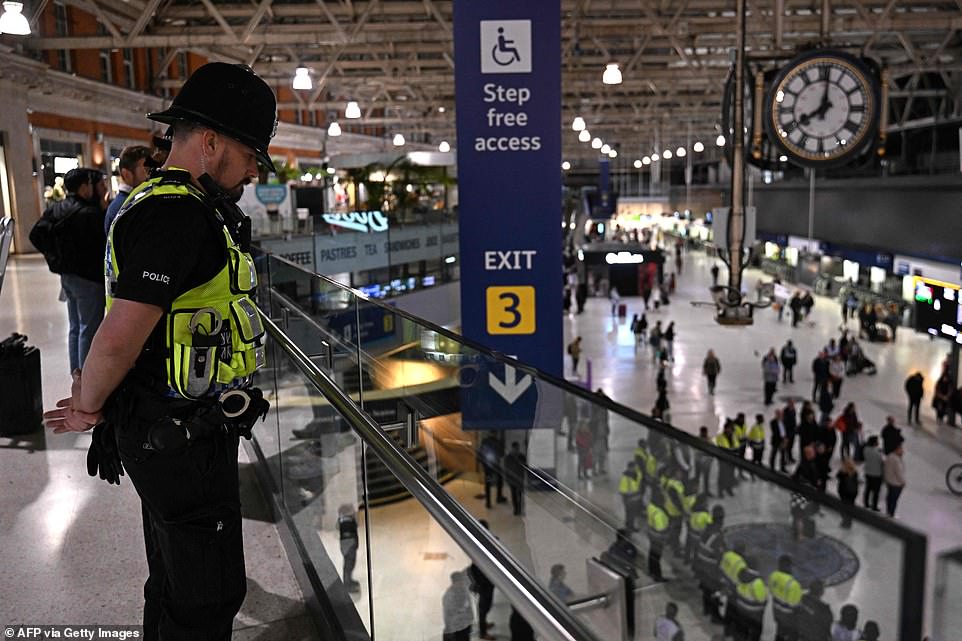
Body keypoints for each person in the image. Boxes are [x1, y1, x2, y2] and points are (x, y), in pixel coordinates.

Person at [42, 63, 277, 640]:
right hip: (176, 437)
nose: (253, 169)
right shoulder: (176, 214)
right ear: (212, 141)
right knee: (205, 594)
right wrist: (88, 405)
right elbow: (122, 330)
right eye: (251, 153)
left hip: (177, 429)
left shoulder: (171, 204)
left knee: (177, 580)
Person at [30, 167, 109, 372]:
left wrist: (56, 259)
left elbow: (35, 235)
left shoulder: (57, 208)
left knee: (75, 328)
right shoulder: (91, 214)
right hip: (89, 279)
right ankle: (85, 377)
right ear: (84, 187)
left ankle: (76, 373)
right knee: (88, 330)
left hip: (68, 277)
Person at [104, 144, 154, 234]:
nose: (150, 176)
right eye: (146, 170)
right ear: (127, 174)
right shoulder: (124, 207)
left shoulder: (136, 200)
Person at [469, 520, 496, 640]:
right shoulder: (476, 544)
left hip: (487, 579)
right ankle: (482, 632)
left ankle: (484, 625)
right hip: (482, 582)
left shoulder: (486, 540)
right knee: (483, 607)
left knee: (487, 605)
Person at [768, 555, 803, 641]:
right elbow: (795, 606)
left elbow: (771, 591)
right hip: (789, 618)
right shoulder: (794, 585)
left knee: (779, 632)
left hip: (776, 612)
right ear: (789, 567)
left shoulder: (772, 576)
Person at [442, 570, 473, 641]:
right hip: (456, 627)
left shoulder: (463, 590)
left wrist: (470, 620)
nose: (463, 582)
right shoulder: (450, 595)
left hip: (464, 625)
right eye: (461, 581)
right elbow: (448, 615)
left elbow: (469, 608)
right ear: (454, 582)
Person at [646, 489, 670, 581]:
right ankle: (657, 575)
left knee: (652, 553)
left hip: (651, 533)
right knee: (657, 556)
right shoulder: (659, 513)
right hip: (658, 537)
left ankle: (651, 570)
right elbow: (661, 528)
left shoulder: (651, 506)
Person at [479, 432, 507, 508]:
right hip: (495, 466)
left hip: (488, 467)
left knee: (488, 483)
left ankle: (488, 503)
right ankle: (498, 497)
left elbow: (480, 453)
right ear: (495, 434)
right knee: (499, 481)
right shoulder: (497, 441)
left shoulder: (484, 441)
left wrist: (483, 464)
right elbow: (502, 454)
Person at [338, 504, 360, 591]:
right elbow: (349, 533)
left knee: (350, 563)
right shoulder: (346, 521)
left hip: (350, 544)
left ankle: (349, 580)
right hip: (349, 545)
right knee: (348, 564)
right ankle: (347, 585)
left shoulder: (347, 520)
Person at [503, 441, 527, 515]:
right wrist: (507, 478)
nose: (516, 450)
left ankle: (519, 508)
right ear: (512, 448)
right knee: (513, 494)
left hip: (520, 479)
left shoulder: (522, 457)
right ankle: (516, 509)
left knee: (519, 494)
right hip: (512, 479)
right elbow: (506, 469)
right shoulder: (508, 458)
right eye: (515, 448)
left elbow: (526, 467)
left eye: (517, 448)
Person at [836, 458, 859, 528]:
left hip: (844, 493)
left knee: (843, 507)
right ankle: (849, 521)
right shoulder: (855, 473)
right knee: (850, 507)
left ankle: (845, 520)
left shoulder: (842, 473)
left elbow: (838, 477)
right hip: (852, 493)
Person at [619, 460, 643, 530]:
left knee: (633, 513)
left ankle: (630, 525)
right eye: (633, 467)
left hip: (636, 498)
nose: (635, 469)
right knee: (630, 513)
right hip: (629, 499)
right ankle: (629, 526)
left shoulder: (637, 474)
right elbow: (623, 491)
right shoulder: (625, 478)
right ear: (629, 468)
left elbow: (639, 483)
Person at [861, 436, 883, 512]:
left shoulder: (866, 449)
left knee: (868, 488)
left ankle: (866, 503)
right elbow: (882, 461)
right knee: (876, 491)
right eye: (877, 441)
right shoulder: (877, 453)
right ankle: (874, 505)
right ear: (874, 443)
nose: (878, 442)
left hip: (868, 472)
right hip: (877, 473)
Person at [884, 443, 906, 517]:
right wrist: (903, 482)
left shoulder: (889, 456)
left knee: (890, 498)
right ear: (897, 450)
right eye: (901, 449)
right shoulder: (896, 460)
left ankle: (888, 511)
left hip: (889, 481)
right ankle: (891, 513)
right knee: (894, 500)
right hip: (896, 483)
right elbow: (898, 473)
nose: (902, 451)